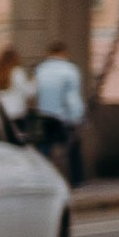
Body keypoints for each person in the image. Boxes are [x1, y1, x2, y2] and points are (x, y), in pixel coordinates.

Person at [31, 42, 86, 186]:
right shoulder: (70, 70)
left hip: (44, 117)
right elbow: (72, 98)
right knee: (73, 150)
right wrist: (78, 116)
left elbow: (35, 94)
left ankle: (43, 180)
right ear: (64, 53)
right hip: (64, 118)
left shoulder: (40, 70)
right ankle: (77, 181)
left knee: (44, 150)